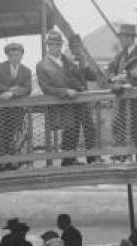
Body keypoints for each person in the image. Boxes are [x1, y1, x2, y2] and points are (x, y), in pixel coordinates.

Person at [35, 31, 100, 166]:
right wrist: (65, 91)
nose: (56, 48)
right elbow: (46, 88)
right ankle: (68, 160)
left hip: (78, 99)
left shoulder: (67, 60)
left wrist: (82, 63)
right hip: (63, 102)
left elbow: (82, 78)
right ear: (48, 46)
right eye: (53, 45)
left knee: (89, 127)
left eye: (59, 45)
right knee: (71, 130)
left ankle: (92, 158)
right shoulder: (42, 65)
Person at [107, 23, 137, 161]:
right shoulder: (119, 55)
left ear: (130, 38)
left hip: (136, 99)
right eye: (120, 37)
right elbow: (109, 72)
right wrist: (114, 78)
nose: (120, 40)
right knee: (120, 125)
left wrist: (136, 82)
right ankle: (122, 153)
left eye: (123, 37)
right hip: (122, 98)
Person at [0, 42, 32, 169]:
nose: (14, 57)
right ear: (7, 55)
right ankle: (0, 164)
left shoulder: (26, 71)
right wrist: (7, 90)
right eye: (11, 55)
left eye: (17, 55)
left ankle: (10, 162)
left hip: (14, 111)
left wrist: (11, 93)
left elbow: (27, 89)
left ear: (21, 55)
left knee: (11, 135)